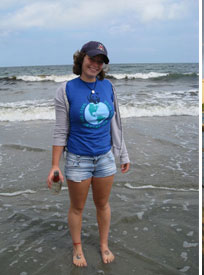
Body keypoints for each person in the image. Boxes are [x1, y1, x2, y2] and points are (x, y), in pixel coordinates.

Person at [46, 41, 130, 267]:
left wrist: (123, 154)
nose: (96, 64)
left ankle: (103, 245)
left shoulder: (109, 88)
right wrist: (55, 165)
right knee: (77, 207)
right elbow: (60, 130)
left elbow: (116, 123)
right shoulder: (65, 90)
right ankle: (78, 248)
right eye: (92, 59)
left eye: (100, 61)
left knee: (103, 205)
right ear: (81, 59)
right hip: (77, 159)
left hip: (105, 157)